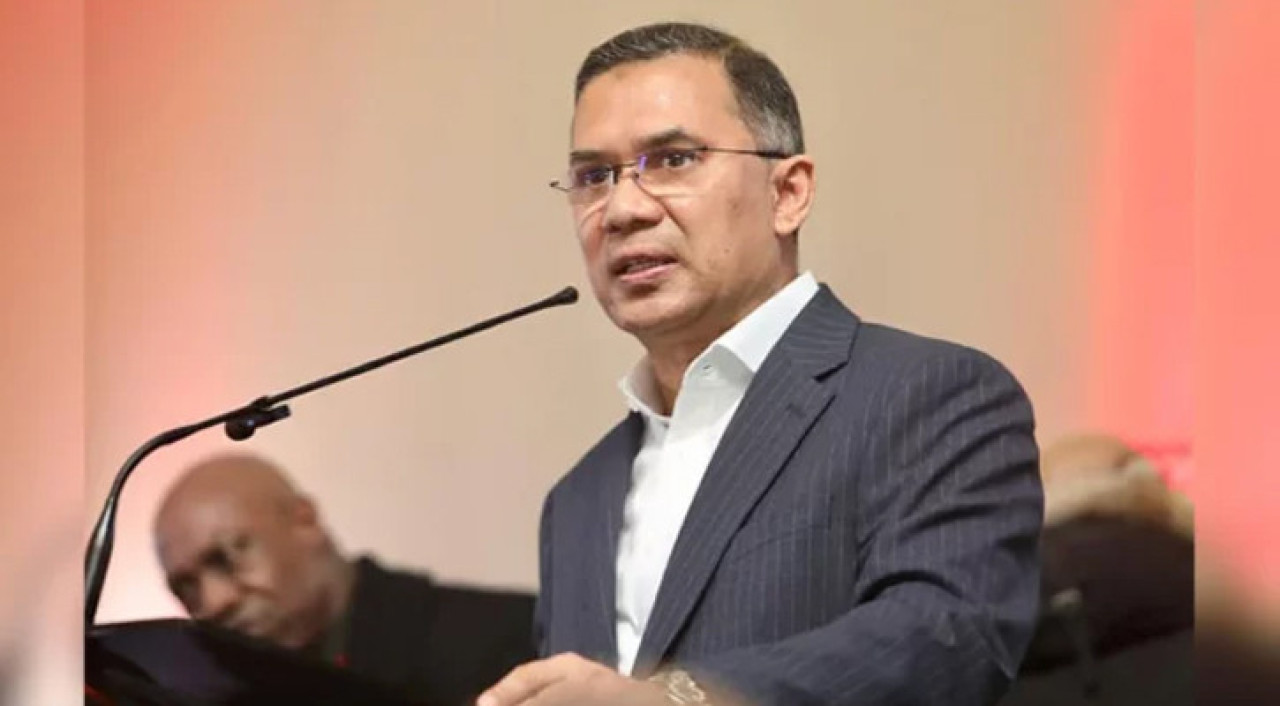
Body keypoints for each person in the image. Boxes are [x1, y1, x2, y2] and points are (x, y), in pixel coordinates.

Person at [479, 21, 1043, 706]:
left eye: (674, 159)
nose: (621, 209)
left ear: (788, 193)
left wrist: (680, 702)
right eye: (593, 177)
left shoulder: (931, 395)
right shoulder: (577, 500)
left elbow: (947, 638)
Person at [153, 451, 537, 706]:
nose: (214, 602)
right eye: (185, 587)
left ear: (304, 521)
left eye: (227, 557)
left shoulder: (518, 637)